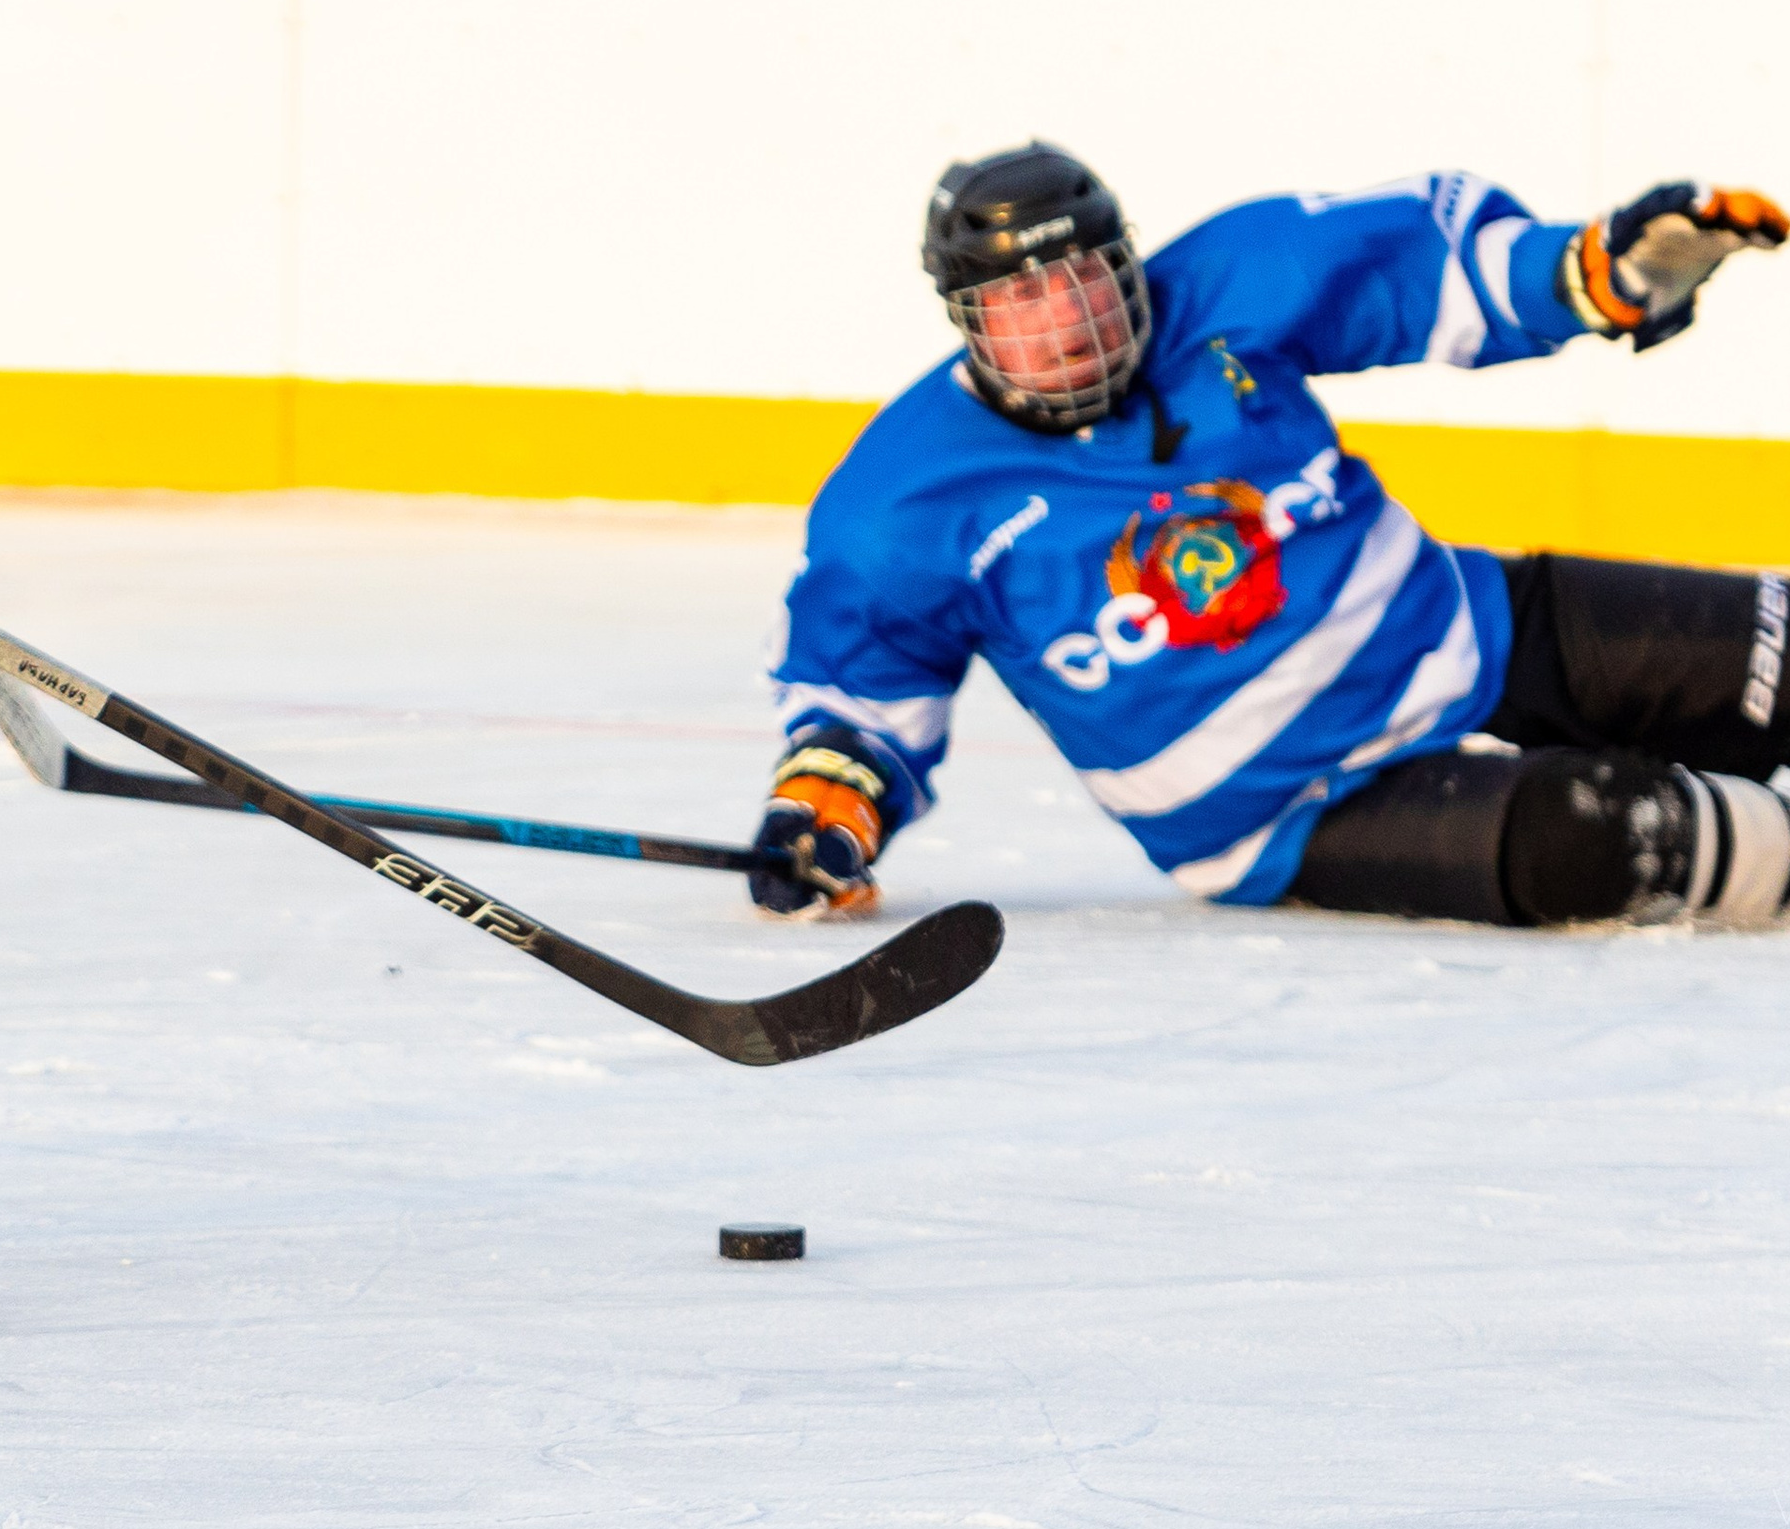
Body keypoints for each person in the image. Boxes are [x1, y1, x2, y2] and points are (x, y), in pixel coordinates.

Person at [752, 141, 1790, 942]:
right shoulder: (901, 503)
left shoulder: (1224, 286)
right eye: (1020, 303)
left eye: (1085, 281)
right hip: (1290, 807)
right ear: (964, 323)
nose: (1067, 326)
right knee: (1654, 839)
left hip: (1450, 623)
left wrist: (1595, 270)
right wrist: (826, 809)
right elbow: (859, 693)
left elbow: (1427, 267)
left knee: (1769, 646)